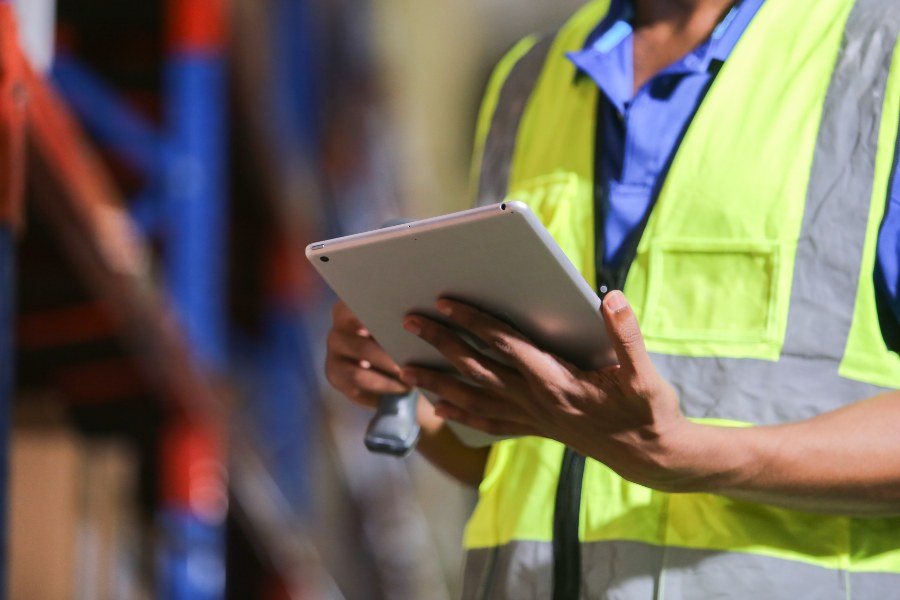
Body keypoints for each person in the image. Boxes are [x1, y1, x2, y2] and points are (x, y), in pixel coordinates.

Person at [326, 0, 900, 597]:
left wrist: (704, 457)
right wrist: (422, 381)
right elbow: (521, 458)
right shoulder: (528, 76)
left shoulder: (882, 53)